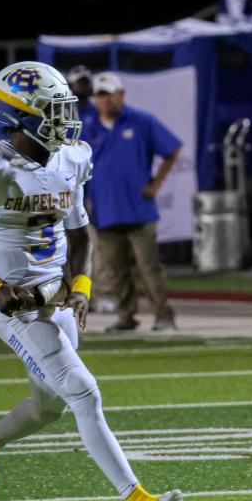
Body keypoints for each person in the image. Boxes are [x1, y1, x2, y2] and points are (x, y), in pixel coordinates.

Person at [0, 60, 183, 501]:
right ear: (18, 116)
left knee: (48, 405)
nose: (65, 119)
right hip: (16, 306)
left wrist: (82, 287)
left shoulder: (72, 156)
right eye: (52, 110)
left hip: (56, 294)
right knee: (84, 393)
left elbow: (80, 231)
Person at [85, 71, 181, 333]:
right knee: (116, 271)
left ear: (121, 95)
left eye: (109, 95)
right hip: (105, 211)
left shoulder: (141, 121)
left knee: (149, 268)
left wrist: (155, 184)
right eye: (100, 96)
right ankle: (126, 316)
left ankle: (163, 315)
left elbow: (172, 149)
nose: (105, 101)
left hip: (139, 210)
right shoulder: (88, 128)